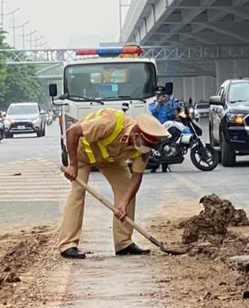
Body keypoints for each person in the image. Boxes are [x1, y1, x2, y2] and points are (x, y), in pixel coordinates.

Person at [59, 109, 170, 259]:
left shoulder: (144, 150)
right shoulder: (110, 123)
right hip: (82, 153)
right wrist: (72, 165)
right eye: (147, 144)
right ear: (136, 135)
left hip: (111, 159)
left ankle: (123, 243)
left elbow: (136, 177)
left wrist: (123, 203)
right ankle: (68, 245)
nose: (148, 149)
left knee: (127, 192)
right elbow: (72, 132)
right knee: (78, 192)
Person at [148, 85, 178, 172]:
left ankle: (165, 165)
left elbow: (172, 113)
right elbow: (152, 111)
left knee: (166, 146)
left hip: (167, 127)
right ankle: (154, 166)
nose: (159, 96)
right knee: (156, 147)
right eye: (157, 94)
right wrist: (158, 104)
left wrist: (166, 104)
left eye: (161, 94)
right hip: (156, 127)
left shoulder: (169, 102)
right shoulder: (153, 102)